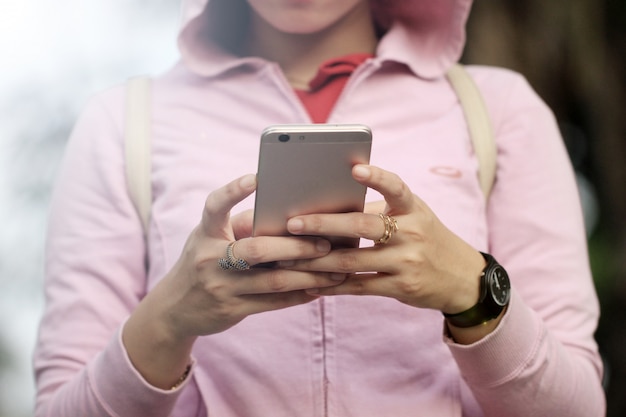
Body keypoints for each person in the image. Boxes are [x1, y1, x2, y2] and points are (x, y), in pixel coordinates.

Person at [33, 0, 606, 415]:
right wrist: (171, 317)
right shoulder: (123, 123)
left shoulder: (499, 110)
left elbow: (577, 408)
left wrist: (472, 290)